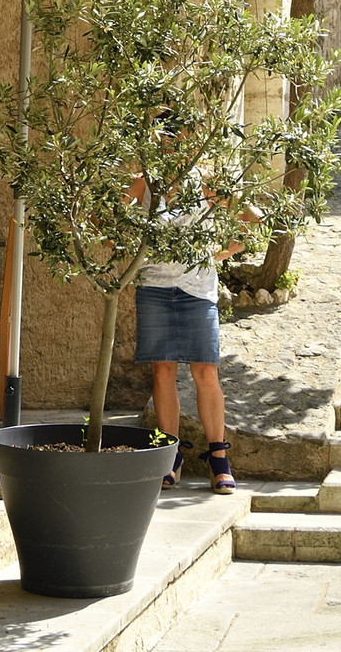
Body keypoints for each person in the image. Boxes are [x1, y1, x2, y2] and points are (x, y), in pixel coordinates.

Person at [129, 166, 238, 493]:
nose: (171, 142)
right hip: (153, 288)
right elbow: (113, 223)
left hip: (198, 291)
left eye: (178, 135)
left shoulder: (205, 179)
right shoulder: (142, 181)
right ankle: (169, 456)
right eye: (164, 135)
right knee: (162, 371)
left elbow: (246, 219)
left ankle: (218, 459)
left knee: (205, 372)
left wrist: (217, 255)